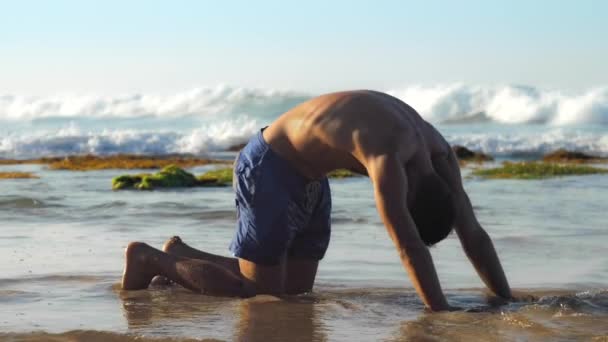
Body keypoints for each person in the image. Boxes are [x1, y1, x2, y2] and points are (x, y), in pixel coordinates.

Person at [122, 90, 515, 311]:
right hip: (270, 164)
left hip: (311, 173)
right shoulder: (387, 156)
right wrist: (440, 314)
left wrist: (505, 298)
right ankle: (152, 259)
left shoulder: (440, 156)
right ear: (410, 196)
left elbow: (473, 233)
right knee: (257, 294)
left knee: (293, 292)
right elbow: (408, 244)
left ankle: (184, 251)